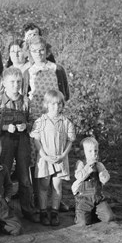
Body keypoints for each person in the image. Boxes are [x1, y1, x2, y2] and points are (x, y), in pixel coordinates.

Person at [0, 67, 38, 222]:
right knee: (4, 173)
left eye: (18, 82)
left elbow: (34, 122)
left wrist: (26, 126)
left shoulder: (26, 102)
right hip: (5, 142)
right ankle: (2, 210)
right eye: (12, 82)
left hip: (23, 142)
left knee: (24, 176)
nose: (16, 85)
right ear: (4, 83)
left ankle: (28, 210)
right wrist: (4, 127)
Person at [31, 89, 76, 226]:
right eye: (52, 104)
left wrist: (63, 155)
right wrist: (43, 155)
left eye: (58, 104)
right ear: (46, 104)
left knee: (57, 186)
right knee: (44, 185)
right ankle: (43, 211)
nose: (55, 107)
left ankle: (55, 212)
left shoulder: (66, 122)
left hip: (60, 159)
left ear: (62, 105)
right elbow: (36, 140)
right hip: (45, 159)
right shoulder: (40, 121)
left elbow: (70, 141)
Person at [24, 35, 70, 120]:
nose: (38, 53)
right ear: (30, 52)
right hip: (35, 115)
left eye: (41, 50)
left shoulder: (57, 69)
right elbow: (24, 96)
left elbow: (65, 95)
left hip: (54, 114)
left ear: (46, 50)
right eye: (34, 51)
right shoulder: (28, 72)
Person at [72, 137, 115, 226]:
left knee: (109, 217)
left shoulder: (99, 164)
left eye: (95, 150)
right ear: (83, 153)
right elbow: (78, 176)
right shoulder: (81, 163)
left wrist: (102, 173)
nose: (94, 154)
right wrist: (87, 169)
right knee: (83, 223)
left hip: (97, 197)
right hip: (84, 198)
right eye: (90, 151)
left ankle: (94, 212)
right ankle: (80, 212)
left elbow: (106, 178)